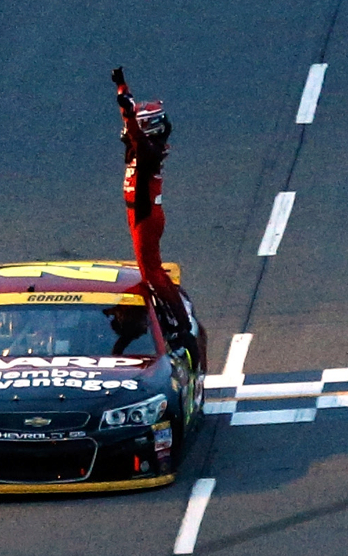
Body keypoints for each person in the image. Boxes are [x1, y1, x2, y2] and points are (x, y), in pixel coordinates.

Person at [111, 67, 197, 360]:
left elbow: (132, 129)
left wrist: (127, 109)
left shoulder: (147, 151)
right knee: (149, 271)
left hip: (145, 218)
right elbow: (129, 117)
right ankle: (164, 317)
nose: (124, 132)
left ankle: (181, 327)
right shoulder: (140, 148)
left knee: (152, 273)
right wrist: (121, 87)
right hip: (140, 215)